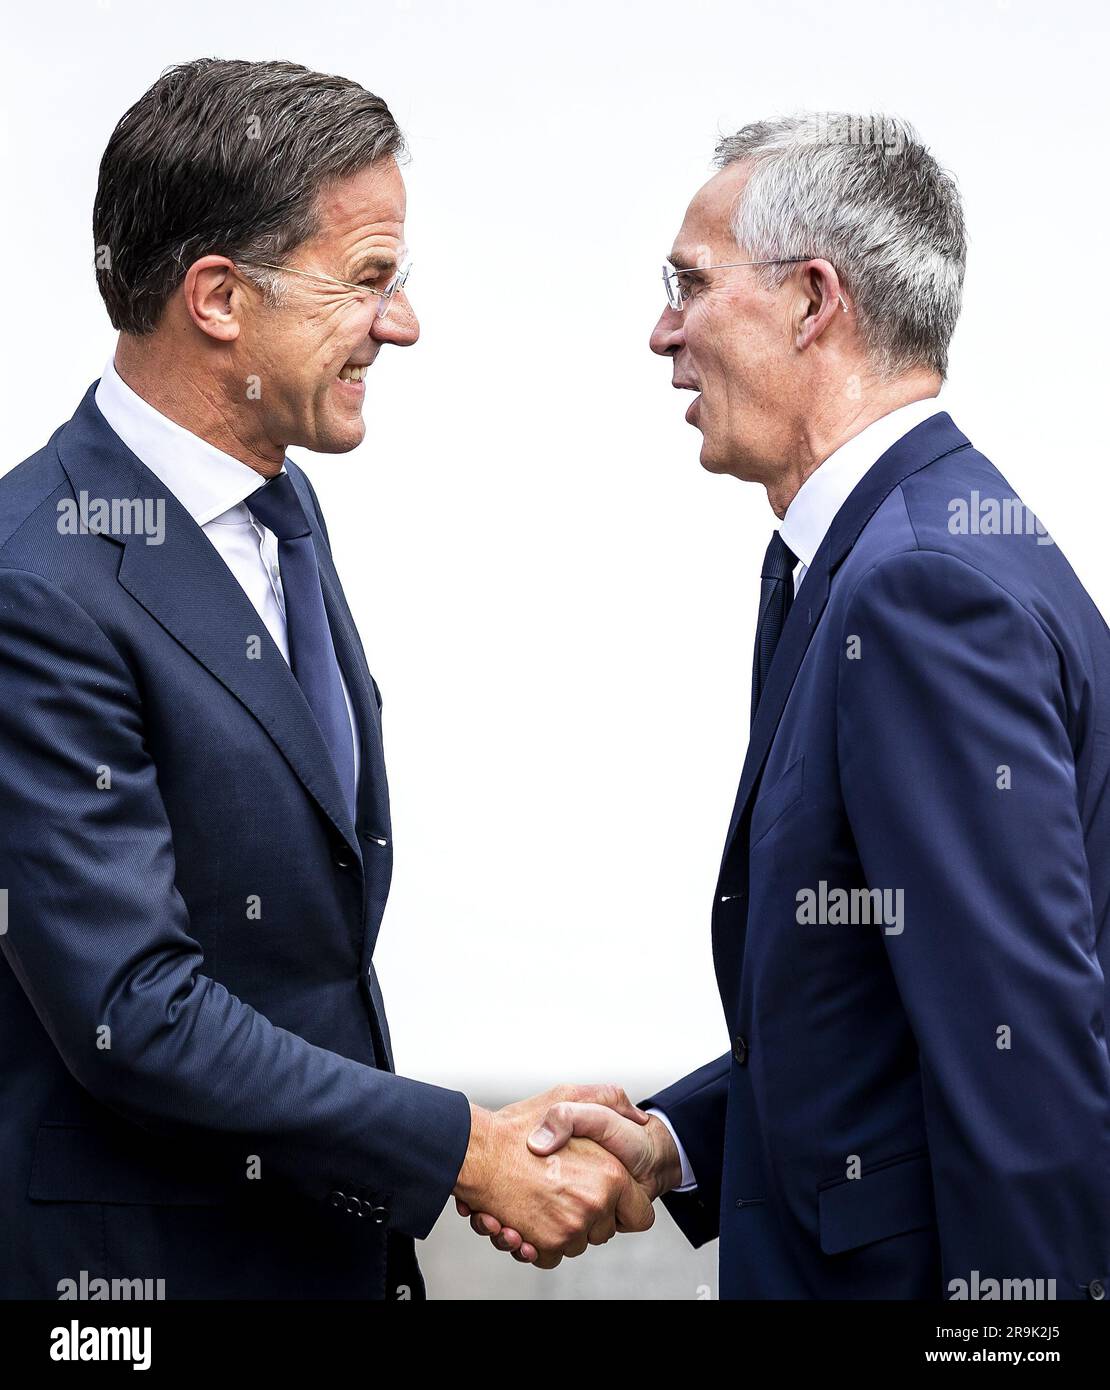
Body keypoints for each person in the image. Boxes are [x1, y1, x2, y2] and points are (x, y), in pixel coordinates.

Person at [0, 57, 653, 1300]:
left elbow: (301, 961)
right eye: (368, 282)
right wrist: (465, 1147)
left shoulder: (278, 509)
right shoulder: (35, 581)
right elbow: (131, 1006)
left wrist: (481, 1138)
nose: (400, 323)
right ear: (219, 299)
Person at [465, 113, 1110, 1301]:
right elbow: (884, 997)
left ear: (814, 300)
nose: (663, 331)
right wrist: (680, 1144)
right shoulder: (876, 554)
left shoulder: (922, 587)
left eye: (688, 284)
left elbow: (1021, 1053)